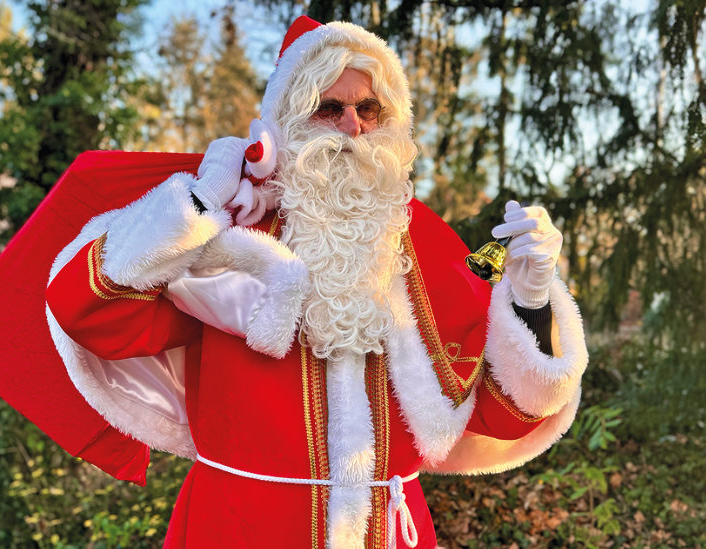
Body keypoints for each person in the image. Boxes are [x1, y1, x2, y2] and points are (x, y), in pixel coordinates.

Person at [44, 16, 587, 549]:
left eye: (368, 108)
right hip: (240, 529)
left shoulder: (426, 245)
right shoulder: (234, 236)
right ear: (286, 121)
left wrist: (532, 300)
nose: (353, 127)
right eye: (330, 108)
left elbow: (500, 412)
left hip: (388, 532)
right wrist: (194, 208)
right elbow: (95, 314)